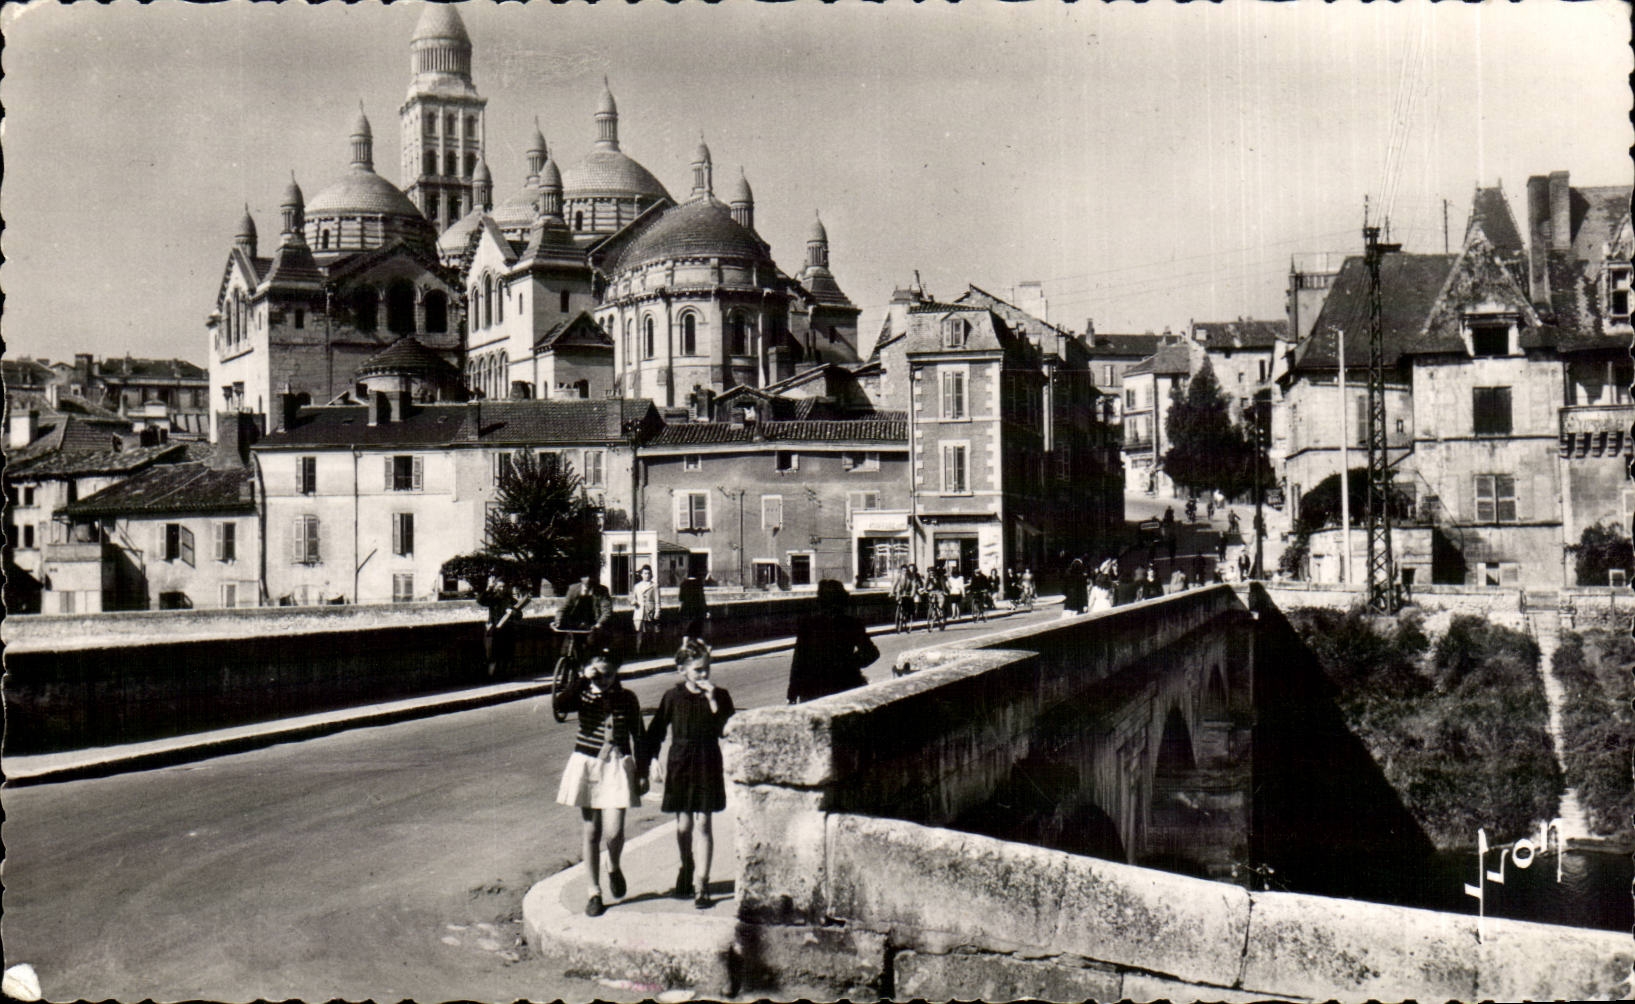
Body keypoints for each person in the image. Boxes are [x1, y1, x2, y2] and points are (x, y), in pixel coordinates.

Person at [641, 640, 735, 910]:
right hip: (681, 763)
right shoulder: (672, 697)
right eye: (697, 671)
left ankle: (701, 884)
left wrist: (713, 701)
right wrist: (651, 761)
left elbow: (726, 730)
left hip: (707, 761)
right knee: (684, 826)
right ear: (682, 671)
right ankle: (686, 864)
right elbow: (656, 730)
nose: (704, 675)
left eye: (706, 669)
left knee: (703, 824)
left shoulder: (721, 695)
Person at [555, 648, 646, 917]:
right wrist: (583, 679)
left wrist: (641, 771)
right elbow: (561, 704)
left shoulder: (627, 698)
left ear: (616, 671)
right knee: (591, 831)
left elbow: (638, 735)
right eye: (598, 673)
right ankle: (593, 891)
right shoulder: (582, 694)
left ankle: (614, 866)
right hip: (587, 763)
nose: (603, 678)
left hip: (616, 765)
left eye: (608, 673)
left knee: (614, 831)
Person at [788, 579, 880, 702]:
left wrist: (792, 693)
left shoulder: (808, 625)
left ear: (820, 602)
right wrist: (849, 664)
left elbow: (798, 662)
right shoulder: (851, 624)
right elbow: (872, 653)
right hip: (843, 687)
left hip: (813, 690)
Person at [555, 570, 615, 655]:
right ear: (581, 578)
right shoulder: (573, 589)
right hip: (575, 623)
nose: (588, 579)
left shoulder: (602, 590)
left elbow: (607, 611)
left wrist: (599, 624)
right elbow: (563, 607)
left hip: (593, 624)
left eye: (591, 576)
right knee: (566, 649)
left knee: (591, 646)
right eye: (585, 576)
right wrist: (558, 621)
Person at [631, 564, 660, 654]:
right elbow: (632, 598)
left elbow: (657, 601)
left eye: (648, 573)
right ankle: (638, 651)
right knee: (639, 632)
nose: (647, 575)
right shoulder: (637, 586)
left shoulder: (654, 586)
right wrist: (633, 602)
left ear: (651, 574)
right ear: (641, 574)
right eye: (645, 573)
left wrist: (657, 612)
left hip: (649, 612)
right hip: (639, 612)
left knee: (650, 633)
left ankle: (650, 651)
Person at [678, 572, 708, 646]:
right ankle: (706, 648)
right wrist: (707, 611)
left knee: (686, 633)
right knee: (697, 635)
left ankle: (684, 649)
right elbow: (702, 599)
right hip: (697, 612)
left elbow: (681, 598)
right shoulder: (699, 584)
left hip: (686, 611)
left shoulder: (683, 584)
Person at [890, 564, 919, 633]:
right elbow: (894, 584)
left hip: (908, 592)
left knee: (908, 605)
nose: (905, 572)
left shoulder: (911, 577)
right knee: (898, 602)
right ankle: (898, 616)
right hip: (900, 592)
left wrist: (912, 594)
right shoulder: (899, 576)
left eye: (906, 570)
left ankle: (907, 616)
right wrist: (891, 592)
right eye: (903, 570)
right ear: (901, 571)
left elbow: (914, 586)